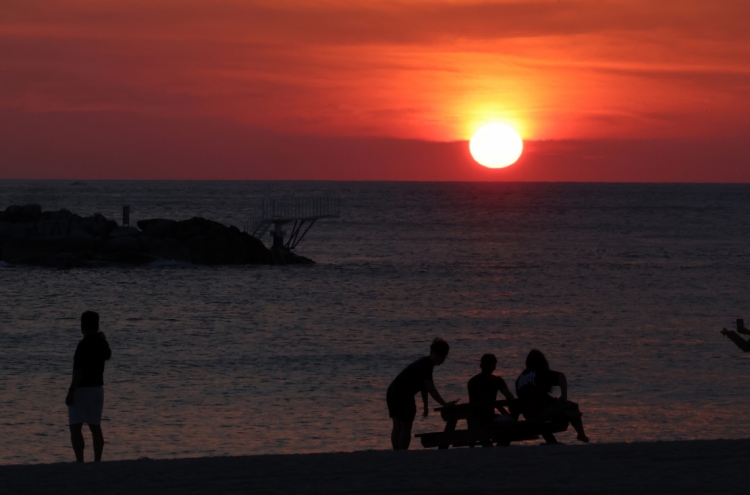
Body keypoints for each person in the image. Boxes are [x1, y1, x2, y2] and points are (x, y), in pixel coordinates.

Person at [386, 338, 458, 450]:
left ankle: (397, 451)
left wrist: (425, 405)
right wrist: (444, 404)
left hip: (393, 392)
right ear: (432, 353)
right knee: (405, 425)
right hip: (401, 394)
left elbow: (424, 386)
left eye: (443, 357)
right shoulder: (426, 365)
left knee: (399, 425)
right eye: (439, 356)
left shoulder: (425, 363)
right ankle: (401, 452)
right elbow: (431, 388)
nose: (441, 360)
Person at [65, 311, 112, 462]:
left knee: (75, 428)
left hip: (82, 389)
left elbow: (79, 371)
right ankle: (97, 460)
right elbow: (108, 354)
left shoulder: (83, 345)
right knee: (95, 427)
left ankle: (80, 460)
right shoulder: (101, 343)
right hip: (98, 389)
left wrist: (71, 390)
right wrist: (103, 338)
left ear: (82, 326)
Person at [515, 349, 589, 443]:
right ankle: (581, 434)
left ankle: (565, 413)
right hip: (541, 410)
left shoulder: (520, 379)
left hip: (528, 414)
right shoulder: (541, 372)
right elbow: (561, 377)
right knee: (573, 406)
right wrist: (564, 395)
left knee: (563, 407)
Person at [467, 354, 515, 426]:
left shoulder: (472, 381)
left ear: (481, 366)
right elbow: (510, 397)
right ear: (494, 367)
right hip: (489, 419)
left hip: (474, 421)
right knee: (510, 420)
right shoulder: (497, 381)